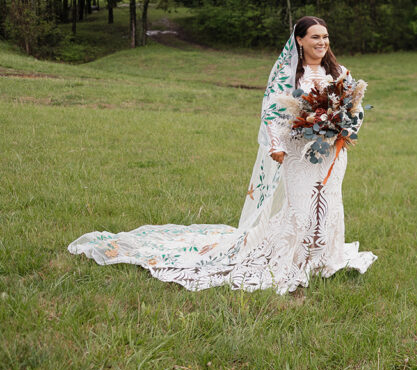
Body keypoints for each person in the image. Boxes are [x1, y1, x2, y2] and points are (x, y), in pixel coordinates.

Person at [69, 16, 376, 294]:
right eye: (315, 37)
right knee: (300, 208)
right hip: (298, 153)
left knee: (330, 203)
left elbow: (355, 110)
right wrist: (276, 146)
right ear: (299, 40)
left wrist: (343, 130)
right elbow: (272, 114)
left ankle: (323, 258)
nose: (322, 42)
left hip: (332, 154)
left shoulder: (339, 72)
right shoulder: (288, 76)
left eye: (325, 37)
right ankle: (290, 259)